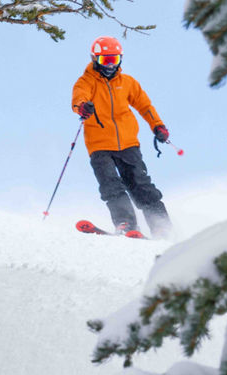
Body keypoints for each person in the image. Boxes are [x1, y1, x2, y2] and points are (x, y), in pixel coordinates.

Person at [71, 36, 173, 238]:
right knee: (111, 185)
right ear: (95, 59)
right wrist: (83, 107)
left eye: (114, 60)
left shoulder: (127, 83)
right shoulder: (86, 81)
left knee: (140, 184)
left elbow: (145, 106)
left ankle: (160, 225)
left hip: (128, 144)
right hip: (99, 146)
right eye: (105, 60)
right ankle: (126, 223)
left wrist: (158, 126)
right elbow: (78, 97)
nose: (110, 65)